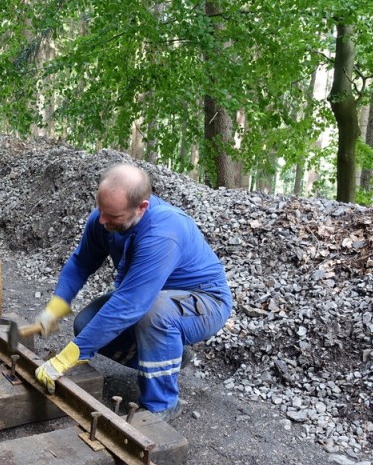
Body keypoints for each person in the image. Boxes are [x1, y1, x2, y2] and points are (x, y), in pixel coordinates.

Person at [33, 163, 233, 422]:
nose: (102, 221)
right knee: (86, 325)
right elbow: (81, 262)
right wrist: (57, 305)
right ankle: (170, 357)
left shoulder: (163, 232)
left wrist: (66, 359)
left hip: (204, 302)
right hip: (151, 296)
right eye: (101, 211)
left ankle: (162, 404)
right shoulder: (104, 218)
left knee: (153, 313)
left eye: (112, 216)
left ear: (142, 208)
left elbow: (130, 305)